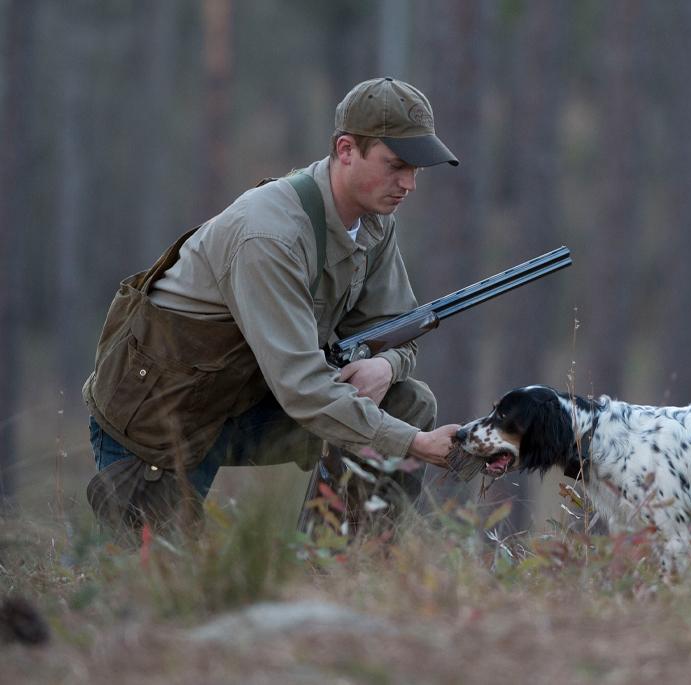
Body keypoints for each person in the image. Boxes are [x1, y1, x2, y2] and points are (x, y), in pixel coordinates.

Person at [82, 77, 462, 538]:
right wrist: (416, 445)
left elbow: (398, 328)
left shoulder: (374, 222)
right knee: (157, 588)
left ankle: (340, 564)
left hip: (249, 401)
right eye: (397, 165)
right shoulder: (268, 235)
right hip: (165, 422)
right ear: (345, 150)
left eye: (417, 169)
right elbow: (303, 387)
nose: (409, 184)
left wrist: (385, 362)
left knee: (407, 401)